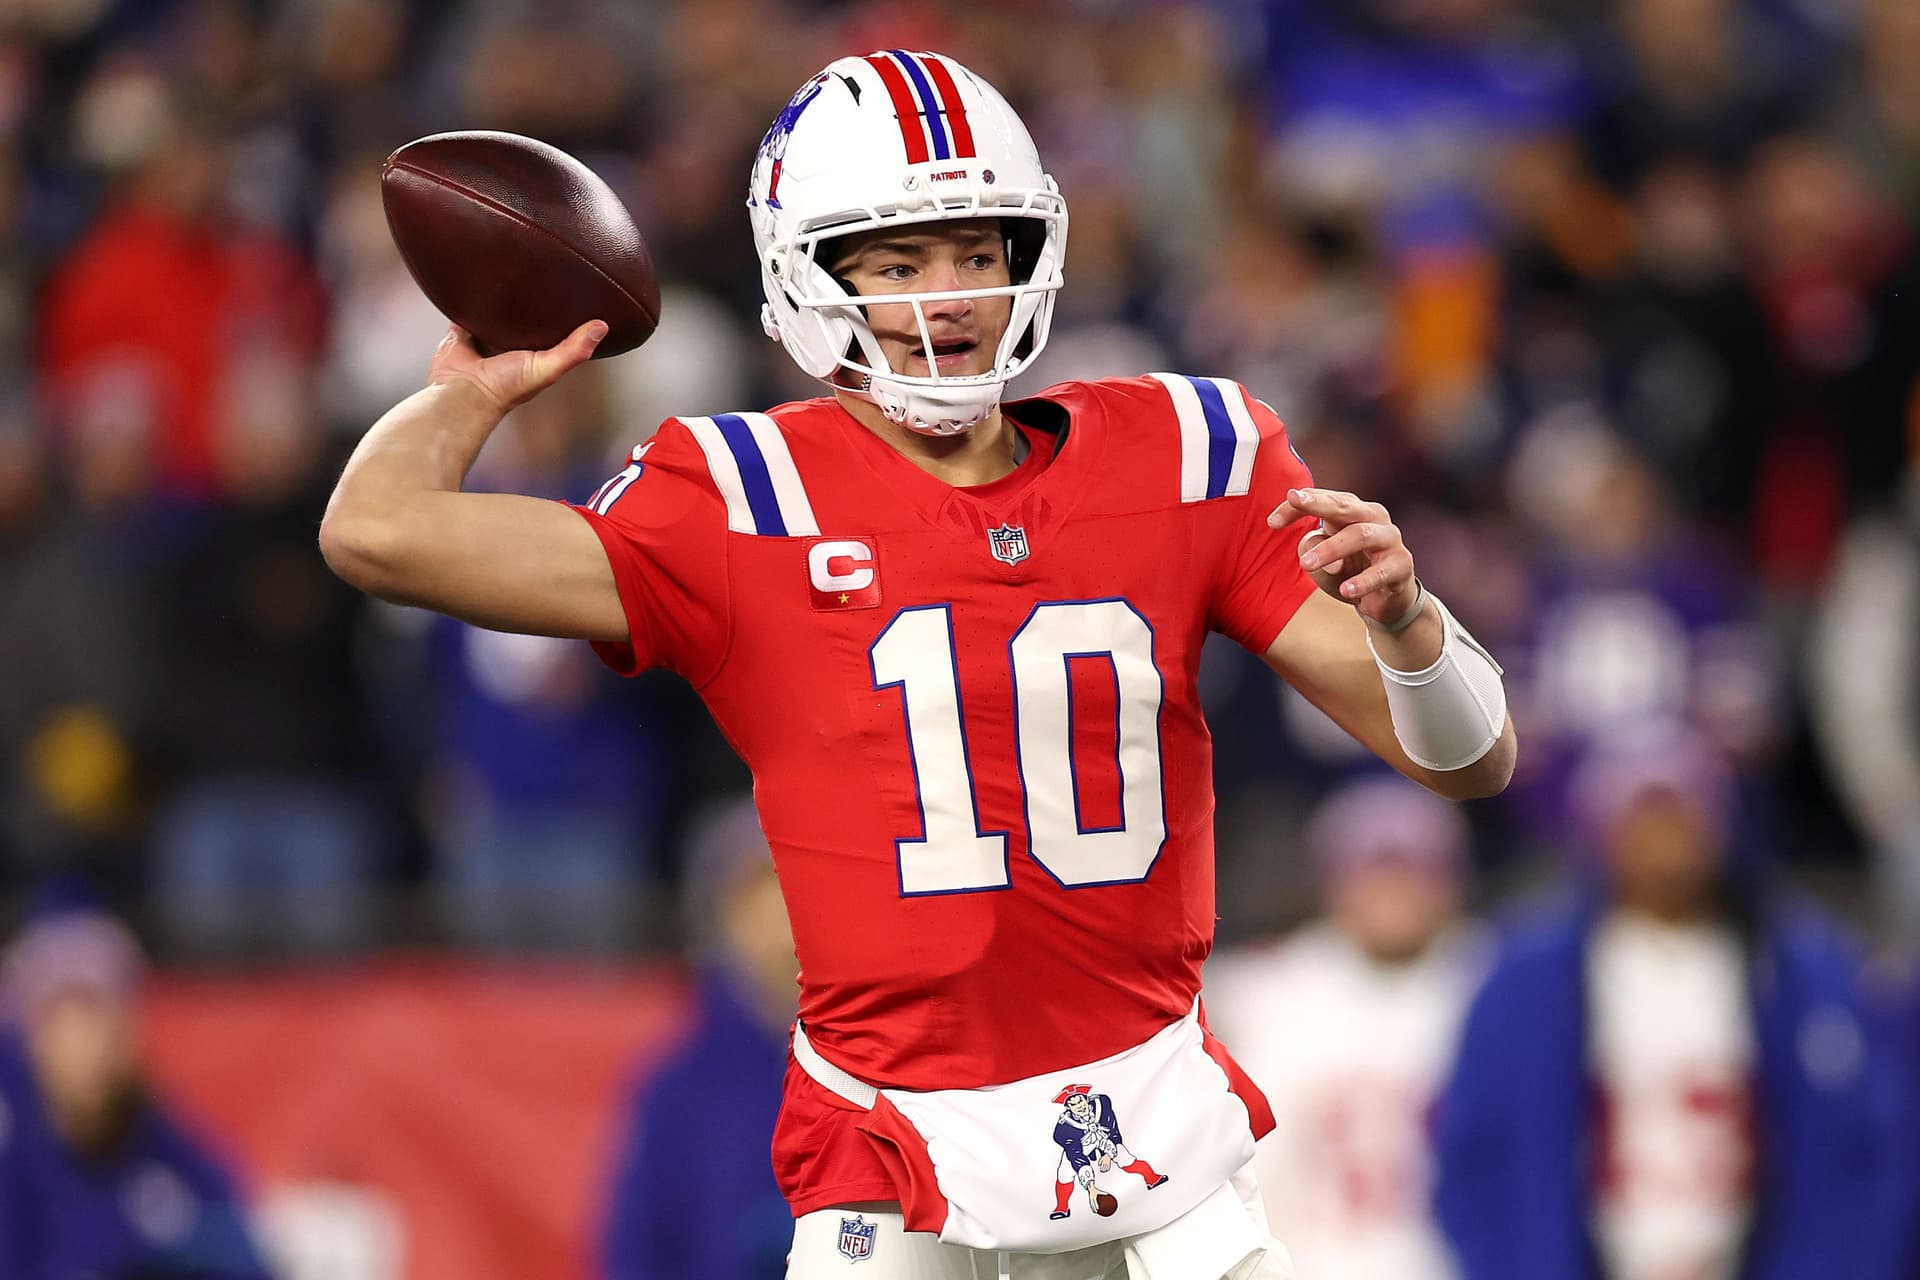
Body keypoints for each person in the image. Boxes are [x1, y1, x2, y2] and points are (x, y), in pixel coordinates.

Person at [320, 49, 1515, 1280]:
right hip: (890, 1146)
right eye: (897, 262)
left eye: (976, 253)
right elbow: (376, 530)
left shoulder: (1187, 447)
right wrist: (474, 387)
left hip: (1161, 1137)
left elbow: (1474, 759)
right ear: (808, 277)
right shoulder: (736, 495)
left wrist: (1412, 624)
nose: (948, 297)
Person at [1433, 723, 1905, 1280]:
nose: (1665, 838)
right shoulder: (1523, 980)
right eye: (1644, 817)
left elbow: (1869, 1149)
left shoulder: (1803, 969)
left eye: (1680, 814)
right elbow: (1470, 1158)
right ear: (1600, 830)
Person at [1205, 775, 1488, 1280]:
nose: (1393, 893)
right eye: (1375, 872)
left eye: (1414, 872)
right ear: (1332, 882)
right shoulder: (1267, 989)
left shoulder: (1494, 985)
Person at [0, 900, 274, 1279]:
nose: (88, 1047)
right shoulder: (14, 1157)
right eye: (65, 1023)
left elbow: (243, 1260)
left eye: (101, 1019)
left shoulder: (175, 1156)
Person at [601, 796, 796, 1280]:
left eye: (795, 894)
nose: (780, 925)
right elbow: (637, 1247)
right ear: (724, 923)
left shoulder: (887, 1065)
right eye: (757, 902)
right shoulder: (678, 1084)